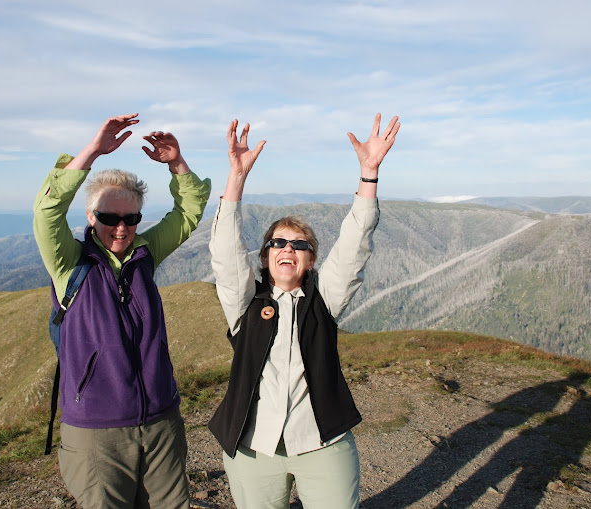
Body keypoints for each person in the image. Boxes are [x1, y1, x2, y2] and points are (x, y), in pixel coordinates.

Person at [208, 113, 400, 508]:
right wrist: (236, 178)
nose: (287, 250)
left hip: (322, 442)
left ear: (310, 261)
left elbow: (354, 246)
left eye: (299, 245)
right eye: (278, 243)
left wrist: (368, 174)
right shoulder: (245, 303)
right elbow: (225, 254)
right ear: (264, 257)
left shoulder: (323, 299)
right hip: (252, 446)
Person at [33, 113, 211, 509]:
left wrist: (177, 164)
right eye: (109, 218)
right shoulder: (69, 264)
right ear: (90, 217)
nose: (121, 228)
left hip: (161, 419)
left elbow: (188, 213)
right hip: (97, 428)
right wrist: (92, 151)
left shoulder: (144, 255)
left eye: (130, 219)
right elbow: (46, 214)